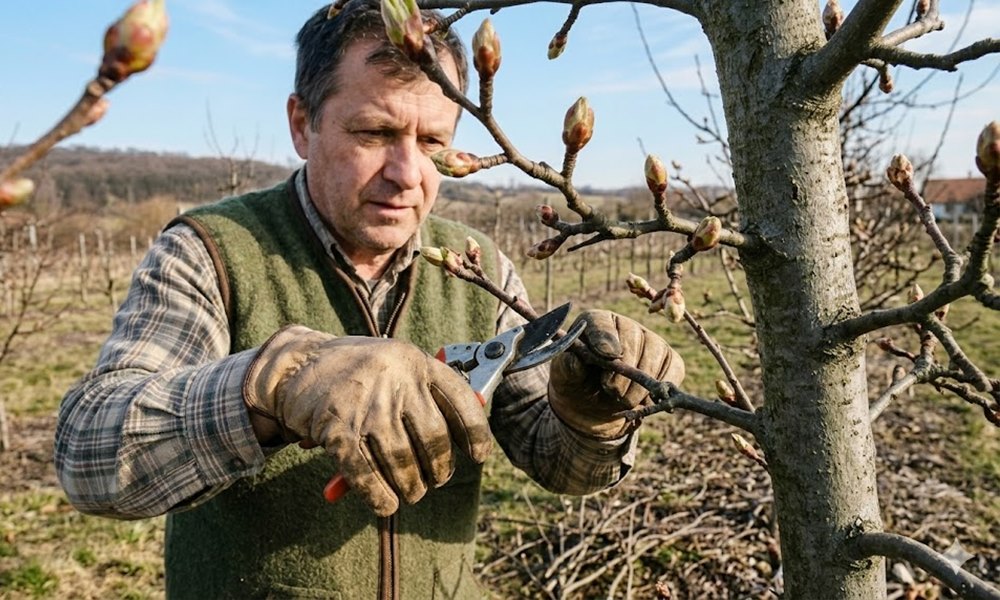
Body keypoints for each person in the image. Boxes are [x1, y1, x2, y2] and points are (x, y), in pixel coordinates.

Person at [54, 2, 685, 598]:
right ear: (302, 125)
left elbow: (557, 464)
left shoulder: (480, 268)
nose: (407, 173)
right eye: (374, 132)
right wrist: (275, 385)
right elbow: (90, 457)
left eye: (433, 142)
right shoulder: (210, 251)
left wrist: (591, 421)